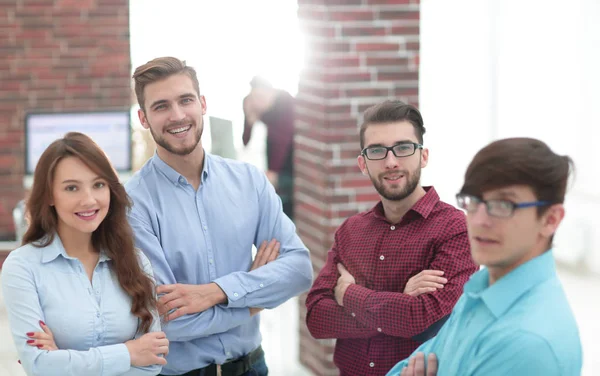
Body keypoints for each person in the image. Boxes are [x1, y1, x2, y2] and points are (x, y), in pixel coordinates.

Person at [126, 57, 313, 376]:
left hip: (253, 367)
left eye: (186, 100)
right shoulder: (133, 204)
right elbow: (168, 322)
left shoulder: (249, 182)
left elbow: (299, 270)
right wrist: (255, 299)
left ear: (202, 104)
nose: (177, 115)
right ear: (144, 118)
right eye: (161, 107)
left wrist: (215, 292)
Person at [305, 100, 479, 375]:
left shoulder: (456, 229)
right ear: (363, 163)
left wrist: (348, 294)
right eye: (377, 151)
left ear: (423, 156)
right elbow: (317, 318)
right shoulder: (350, 231)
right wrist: (399, 300)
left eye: (403, 148)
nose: (391, 162)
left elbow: (421, 318)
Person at [386, 137, 582, 376]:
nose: (478, 220)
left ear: (550, 219)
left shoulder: (527, 343)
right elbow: (411, 365)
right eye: (475, 201)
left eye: (503, 205)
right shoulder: (480, 291)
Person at [1, 132, 168, 376]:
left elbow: (153, 361)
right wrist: (129, 353)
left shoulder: (135, 261)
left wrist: (64, 360)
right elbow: (39, 365)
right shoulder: (23, 266)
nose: (88, 200)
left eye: (98, 184)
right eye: (71, 188)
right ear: (49, 195)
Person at [242, 76, 295, 220]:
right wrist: (250, 119)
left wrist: (274, 173)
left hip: (292, 160)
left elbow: (282, 141)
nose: (258, 101)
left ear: (272, 93)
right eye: (255, 97)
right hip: (273, 154)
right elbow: (245, 141)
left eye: (261, 97)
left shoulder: (286, 103)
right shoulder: (251, 102)